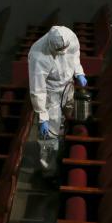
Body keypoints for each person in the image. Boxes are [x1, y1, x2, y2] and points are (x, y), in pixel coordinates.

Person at [28, 25, 86, 177]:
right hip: (51, 92)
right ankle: (48, 171)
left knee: (67, 121)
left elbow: (75, 56)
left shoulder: (70, 37)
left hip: (68, 86)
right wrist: (42, 116)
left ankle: (63, 153)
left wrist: (79, 72)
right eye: (58, 52)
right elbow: (37, 89)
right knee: (49, 135)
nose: (62, 53)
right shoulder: (38, 54)